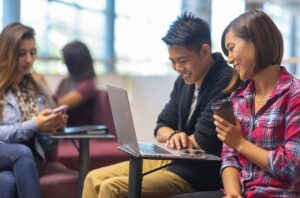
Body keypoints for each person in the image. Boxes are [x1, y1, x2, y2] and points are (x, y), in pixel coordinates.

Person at [82, 12, 233, 198]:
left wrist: (179, 137)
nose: (177, 68)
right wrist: (175, 135)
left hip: (196, 175)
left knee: (112, 188)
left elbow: (202, 141)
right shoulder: (184, 81)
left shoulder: (225, 80)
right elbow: (161, 127)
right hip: (173, 162)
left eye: (183, 61)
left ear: (204, 51)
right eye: (173, 61)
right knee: (92, 178)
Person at [170, 9, 300, 198]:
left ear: (255, 42)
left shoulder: (294, 95)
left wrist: (240, 143)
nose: (229, 59)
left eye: (231, 48)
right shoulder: (238, 98)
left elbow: (292, 165)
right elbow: (229, 157)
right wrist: (232, 193)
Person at [0, 22, 68, 171]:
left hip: (30, 161)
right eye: (21, 53)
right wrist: (35, 124)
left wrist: (54, 127)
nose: (29, 59)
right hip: (6, 156)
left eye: (32, 52)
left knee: (9, 180)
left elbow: (44, 143)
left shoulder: (37, 86)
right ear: (7, 53)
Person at [55, 40, 97, 126]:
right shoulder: (66, 81)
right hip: (62, 129)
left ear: (74, 63)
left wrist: (41, 84)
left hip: (74, 132)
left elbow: (58, 106)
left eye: (65, 60)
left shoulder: (87, 86)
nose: (63, 63)